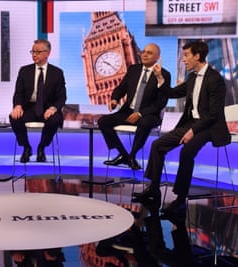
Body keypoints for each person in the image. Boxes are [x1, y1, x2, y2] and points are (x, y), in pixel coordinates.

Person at [133, 40, 231, 215]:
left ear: (197, 56)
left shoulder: (216, 80)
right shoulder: (192, 77)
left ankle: (179, 198)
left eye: (186, 56)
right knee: (157, 145)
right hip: (191, 124)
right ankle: (153, 188)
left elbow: (212, 115)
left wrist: (192, 132)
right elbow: (172, 93)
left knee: (186, 152)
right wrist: (159, 78)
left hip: (209, 127)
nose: (183, 60)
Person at [98, 43, 170, 170]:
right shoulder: (133, 70)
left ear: (157, 57)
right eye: (144, 51)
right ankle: (124, 155)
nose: (145, 54)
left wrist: (140, 114)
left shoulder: (164, 74)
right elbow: (121, 88)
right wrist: (115, 99)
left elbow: (161, 102)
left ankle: (132, 155)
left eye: (149, 53)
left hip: (149, 114)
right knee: (103, 121)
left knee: (144, 123)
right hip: (128, 111)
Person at [10, 39, 66, 163]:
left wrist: (53, 108)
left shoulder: (57, 73)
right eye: (32, 52)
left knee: (55, 119)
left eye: (38, 52)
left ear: (47, 53)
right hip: (29, 107)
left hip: (48, 109)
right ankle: (26, 147)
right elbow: (18, 92)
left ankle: (42, 147)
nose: (34, 55)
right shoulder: (24, 71)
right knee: (14, 117)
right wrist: (17, 105)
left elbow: (62, 96)